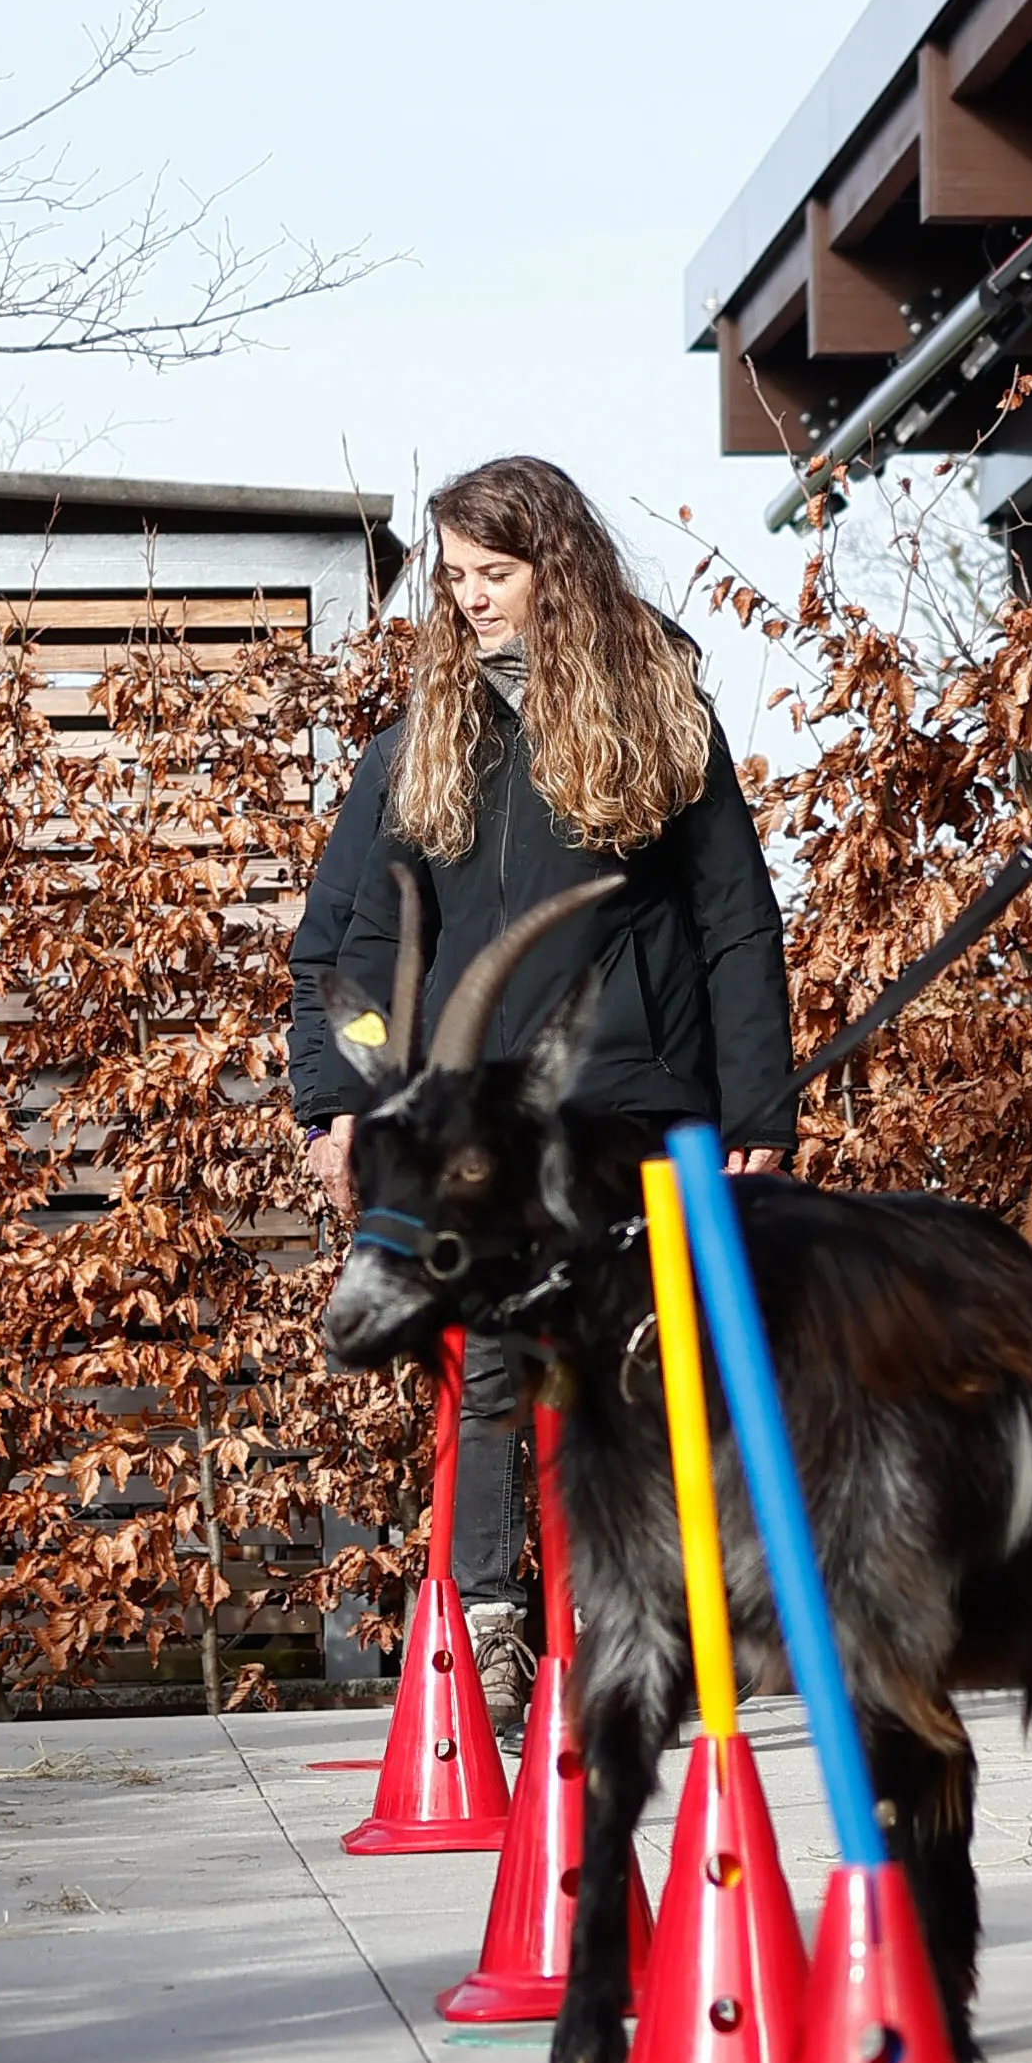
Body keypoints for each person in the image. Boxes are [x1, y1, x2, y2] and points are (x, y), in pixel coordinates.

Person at [286, 458, 797, 1719]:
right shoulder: (414, 747)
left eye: (493, 574)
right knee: (490, 1368)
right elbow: (348, 947)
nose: (468, 600)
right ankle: (491, 1633)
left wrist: (756, 1113)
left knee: (644, 1366)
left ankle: (648, 1630)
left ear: (554, 567)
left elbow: (737, 926)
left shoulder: (666, 725)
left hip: (635, 1102)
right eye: (452, 577)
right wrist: (338, 1097)